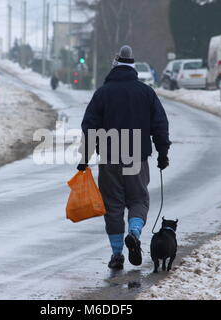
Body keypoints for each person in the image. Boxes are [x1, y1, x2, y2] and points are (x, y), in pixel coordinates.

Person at [77, 45, 171, 270]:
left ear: (115, 66)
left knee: (113, 206)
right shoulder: (146, 92)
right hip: (136, 157)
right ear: (134, 68)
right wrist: (163, 153)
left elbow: (89, 126)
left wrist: (85, 157)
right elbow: (160, 125)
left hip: (109, 158)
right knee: (139, 199)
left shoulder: (102, 93)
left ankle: (117, 254)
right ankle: (135, 233)